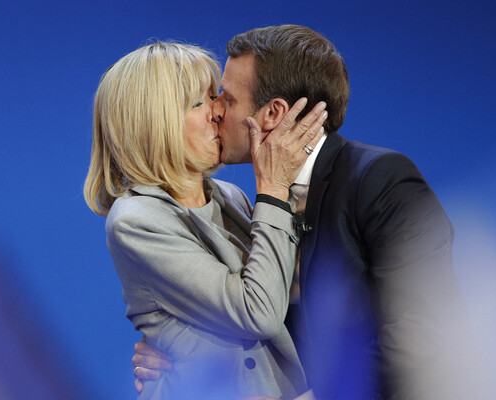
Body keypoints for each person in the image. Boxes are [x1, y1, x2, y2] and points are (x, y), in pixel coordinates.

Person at [132, 25, 471, 399]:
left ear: (273, 113)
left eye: (226, 98)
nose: (215, 111)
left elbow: (428, 330)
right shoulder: (261, 203)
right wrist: (175, 347)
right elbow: (263, 313)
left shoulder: (381, 180)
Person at [83, 42, 327, 399]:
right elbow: (257, 312)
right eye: (198, 103)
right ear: (154, 124)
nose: (217, 111)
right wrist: (274, 189)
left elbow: (287, 290)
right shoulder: (135, 220)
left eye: (214, 97)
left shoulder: (230, 196)